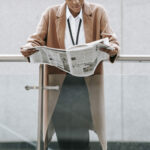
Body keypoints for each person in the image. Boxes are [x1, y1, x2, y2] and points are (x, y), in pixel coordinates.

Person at [21, 0, 120, 150]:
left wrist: (112, 49)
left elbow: (112, 41)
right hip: (59, 85)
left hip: (86, 83)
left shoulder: (98, 12)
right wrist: (29, 47)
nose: (76, 2)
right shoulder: (51, 14)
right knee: (63, 132)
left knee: (81, 133)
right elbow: (35, 40)